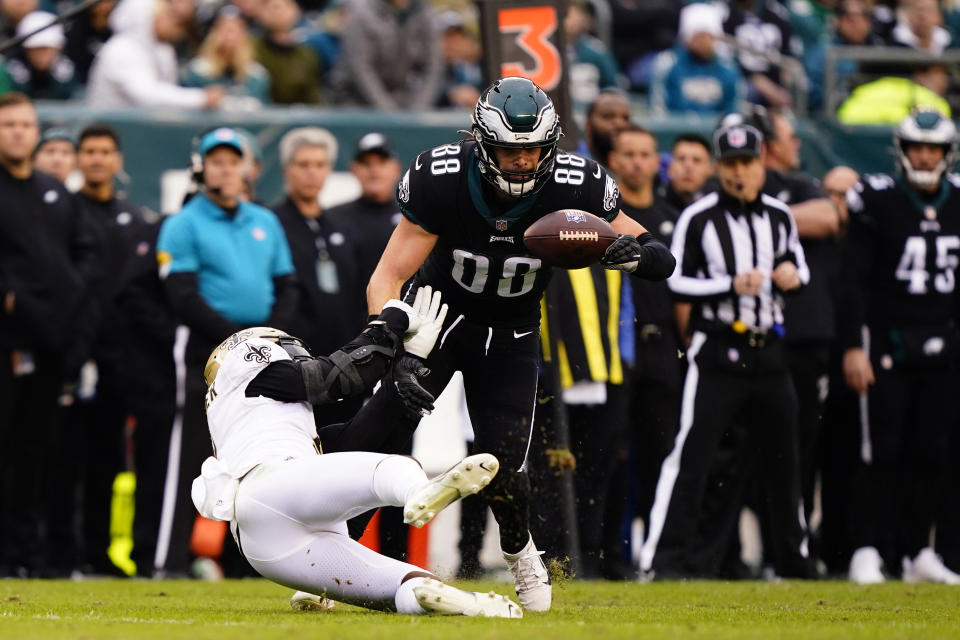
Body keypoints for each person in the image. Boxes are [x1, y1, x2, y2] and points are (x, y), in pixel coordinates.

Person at [356, 76, 675, 610]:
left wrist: (635, 256)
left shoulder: (578, 182)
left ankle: (520, 554)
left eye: (531, 150)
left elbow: (657, 252)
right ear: (482, 143)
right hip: (440, 318)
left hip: (513, 331)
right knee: (379, 431)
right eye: (510, 150)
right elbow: (385, 278)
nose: (523, 162)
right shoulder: (443, 177)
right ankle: (333, 552)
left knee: (503, 463)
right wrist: (391, 341)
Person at [193, 287, 520, 617]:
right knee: (394, 465)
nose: (297, 353)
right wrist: (388, 323)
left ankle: (466, 604)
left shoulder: (262, 422)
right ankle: (419, 490)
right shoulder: (246, 365)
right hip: (272, 487)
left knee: (402, 585)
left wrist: (413, 359)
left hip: (262, 542)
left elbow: (363, 434)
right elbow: (332, 379)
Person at [640, 122, 814, 580]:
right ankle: (662, 560)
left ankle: (792, 560)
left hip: (770, 350)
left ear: (762, 165)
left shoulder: (780, 215)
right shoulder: (699, 218)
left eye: (748, 163)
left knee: (785, 459)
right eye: (732, 164)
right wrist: (728, 284)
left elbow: (799, 265)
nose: (740, 173)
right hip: (717, 349)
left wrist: (793, 276)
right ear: (720, 169)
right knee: (691, 456)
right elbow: (676, 279)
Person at [156, 126, 296, 576]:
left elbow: (285, 285)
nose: (225, 169)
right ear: (202, 169)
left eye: (233, 161)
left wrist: (263, 337)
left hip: (259, 358)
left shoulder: (264, 221)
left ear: (246, 170)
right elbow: (182, 295)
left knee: (255, 455)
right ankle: (168, 558)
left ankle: (245, 564)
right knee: (189, 453)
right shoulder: (183, 223)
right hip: (204, 355)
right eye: (216, 161)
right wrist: (237, 339)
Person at [842, 107, 960, 585]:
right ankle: (868, 548)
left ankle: (916, 552)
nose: (925, 156)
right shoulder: (878, 199)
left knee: (933, 452)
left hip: (945, 345)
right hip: (886, 342)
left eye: (933, 149)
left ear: (946, 153)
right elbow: (853, 281)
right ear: (902, 151)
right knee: (881, 451)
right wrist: (854, 346)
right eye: (918, 148)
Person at [0, 92, 98, 577]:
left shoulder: (56, 193)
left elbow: (82, 257)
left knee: (37, 453)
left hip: (52, 343)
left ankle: (25, 554)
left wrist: (70, 308)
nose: (18, 131)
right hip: (8, 341)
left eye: (25, 123)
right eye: (8, 124)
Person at [607, 124, 682, 575]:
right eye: (628, 154)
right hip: (617, 348)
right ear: (614, 161)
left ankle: (657, 555)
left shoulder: (671, 216)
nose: (637, 162)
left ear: (657, 161)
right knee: (613, 456)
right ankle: (614, 556)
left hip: (663, 347)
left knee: (662, 454)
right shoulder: (601, 217)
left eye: (645, 153)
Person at [271, 127, 365, 422]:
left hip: (341, 362)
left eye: (320, 165)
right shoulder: (271, 224)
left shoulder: (340, 227)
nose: (312, 173)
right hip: (294, 365)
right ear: (287, 169)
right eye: (303, 165)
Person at [86, 0, 225, 109]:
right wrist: (201, 98)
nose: (174, 22)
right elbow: (146, 96)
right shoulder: (120, 49)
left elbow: (169, 91)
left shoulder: (163, 51)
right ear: (145, 17)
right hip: (110, 133)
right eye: (166, 15)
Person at [326, 132, 404, 299]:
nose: (374, 170)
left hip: (398, 318)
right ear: (354, 169)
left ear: (396, 169)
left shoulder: (411, 219)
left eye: (381, 162)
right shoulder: (332, 218)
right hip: (346, 319)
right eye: (366, 163)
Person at [330, 0, 441, 110]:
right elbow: (360, 68)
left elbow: (432, 67)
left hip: (398, 98)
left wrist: (419, 108)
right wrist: (388, 112)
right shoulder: (361, 12)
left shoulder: (423, 13)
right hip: (353, 99)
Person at [649, 2, 744, 116]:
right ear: (686, 37)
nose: (704, 41)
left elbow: (733, 109)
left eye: (709, 35)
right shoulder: (667, 64)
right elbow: (659, 110)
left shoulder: (728, 68)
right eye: (698, 36)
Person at [182, 5, 270, 106]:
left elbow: (263, 110)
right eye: (223, 28)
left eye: (236, 29)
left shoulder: (257, 75)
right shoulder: (198, 71)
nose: (230, 35)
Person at [252, 0, 322, 105]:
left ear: (296, 11)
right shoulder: (250, 49)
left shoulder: (307, 54)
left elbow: (313, 97)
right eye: (271, 5)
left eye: (286, 4)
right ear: (260, 12)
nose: (277, 10)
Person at [4, 10, 77, 100]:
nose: (41, 55)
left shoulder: (65, 71)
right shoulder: (11, 70)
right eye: (34, 49)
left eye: (46, 48)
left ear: (58, 48)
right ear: (25, 50)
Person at [661, 133, 715, 212]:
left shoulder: (719, 210)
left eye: (696, 160)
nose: (688, 166)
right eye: (681, 159)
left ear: (710, 169)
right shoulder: (651, 206)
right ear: (670, 167)